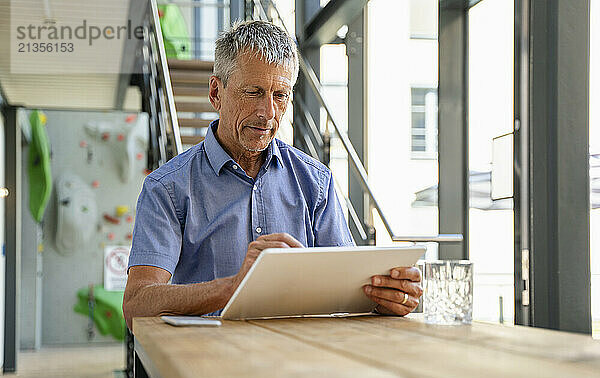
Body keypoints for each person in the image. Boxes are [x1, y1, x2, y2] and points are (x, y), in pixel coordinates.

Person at [122, 20, 422, 330]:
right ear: (216, 93)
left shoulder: (316, 183)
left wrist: (385, 297)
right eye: (253, 92)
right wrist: (234, 286)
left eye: (281, 95)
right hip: (206, 364)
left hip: (300, 361)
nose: (268, 112)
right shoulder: (167, 188)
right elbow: (136, 305)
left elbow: (346, 293)